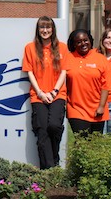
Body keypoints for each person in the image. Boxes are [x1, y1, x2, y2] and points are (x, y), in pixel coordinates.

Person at [22, 16, 68, 169]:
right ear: (38, 29)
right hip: (38, 96)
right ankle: (48, 170)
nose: (45, 30)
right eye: (42, 27)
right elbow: (29, 72)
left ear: (53, 29)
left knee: (54, 126)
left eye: (48, 27)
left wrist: (54, 92)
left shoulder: (62, 47)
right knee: (42, 133)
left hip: (58, 95)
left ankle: (54, 158)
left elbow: (63, 72)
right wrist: (40, 93)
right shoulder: (30, 47)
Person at [65, 29, 111, 135]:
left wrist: (101, 106)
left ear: (90, 40)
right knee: (82, 141)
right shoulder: (68, 58)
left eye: (85, 40)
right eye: (79, 42)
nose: (83, 44)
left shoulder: (100, 59)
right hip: (76, 109)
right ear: (74, 44)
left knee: (95, 144)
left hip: (97, 108)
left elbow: (106, 85)